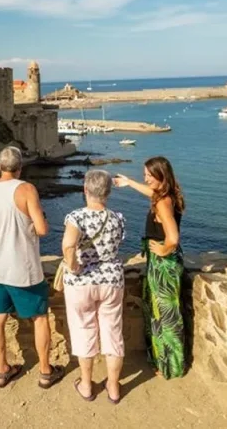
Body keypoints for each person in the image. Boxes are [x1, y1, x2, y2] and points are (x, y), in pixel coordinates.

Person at [0, 146, 65, 389]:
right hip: (24, 269)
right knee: (39, 318)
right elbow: (42, 229)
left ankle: (2, 370)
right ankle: (46, 371)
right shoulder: (26, 189)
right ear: (20, 167)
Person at [114, 156, 187, 379]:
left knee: (166, 314)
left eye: (148, 175)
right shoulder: (165, 194)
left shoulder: (163, 202)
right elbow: (152, 194)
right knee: (163, 312)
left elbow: (173, 238)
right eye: (144, 174)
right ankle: (166, 362)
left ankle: (172, 367)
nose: (145, 178)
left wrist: (163, 250)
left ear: (161, 175)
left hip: (164, 266)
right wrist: (129, 182)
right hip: (163, 264)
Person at [62, 169, 127, 403]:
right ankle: (113, 387)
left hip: (82, 284)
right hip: (112, 280)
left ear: (85, 190)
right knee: (113, 334)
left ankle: (87, 386)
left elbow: (69, 246)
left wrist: (73, 267)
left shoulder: (76, 217)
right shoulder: (118, 218)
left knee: (84, 331)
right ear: (108, 193)